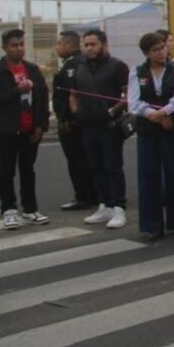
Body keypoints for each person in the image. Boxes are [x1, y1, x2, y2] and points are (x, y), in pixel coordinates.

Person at [129, 31, 174, 241]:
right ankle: (152, 225)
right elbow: (134, 103)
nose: (160, 53)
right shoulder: (137, 72)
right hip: (148, 129)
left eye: (162, 48)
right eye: (155, 50)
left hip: (171, 128)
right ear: (146, 53)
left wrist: (165, 111)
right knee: (149, 176)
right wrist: (153, 115)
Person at [71, 29, 130, 229]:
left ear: (104, 45)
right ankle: (105, 205)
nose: (89, 48)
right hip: (88, 126)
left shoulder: (117, 66)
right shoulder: (80, 67)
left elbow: (127, 95)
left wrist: (112, 112)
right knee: (95, 167)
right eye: (85, 45)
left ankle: (119, 208)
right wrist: (77, 112)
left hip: (110, 126)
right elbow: (73, 94)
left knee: (112, 167)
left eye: (92, 44)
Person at [0, 29, 50, 229]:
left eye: (21, 44)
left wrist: (41, 125)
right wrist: (15, 91)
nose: (19, 49)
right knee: (7, 170)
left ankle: (30, 209)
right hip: (7, 129)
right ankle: (9, 209)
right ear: (5, 48)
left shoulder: (32, 69)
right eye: (14, 45)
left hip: (29, 128)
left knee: (28, 169)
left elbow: (42, 97)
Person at [53, 30, 97, 211]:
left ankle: (84, 196)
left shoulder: (72, 66)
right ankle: (94, 194)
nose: (57, 48)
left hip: (72, 123)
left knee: (77, 160)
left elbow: (67, 95)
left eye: (59, 44)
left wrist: (64, 118)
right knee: (87, 160)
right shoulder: (82, 63)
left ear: (68, 45)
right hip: (81, 121)